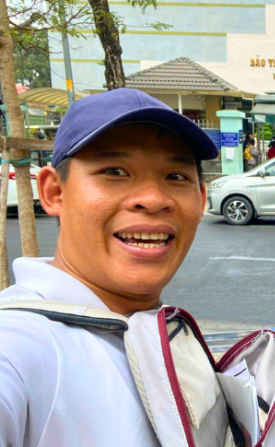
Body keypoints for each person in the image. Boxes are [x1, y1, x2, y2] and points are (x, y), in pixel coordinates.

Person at [0, 88, 218, 446]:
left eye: (175, 177)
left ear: (201, 199)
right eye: (115, 171)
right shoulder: (18, 346)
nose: (153, 199)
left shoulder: (153, 332)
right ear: (55, 192)